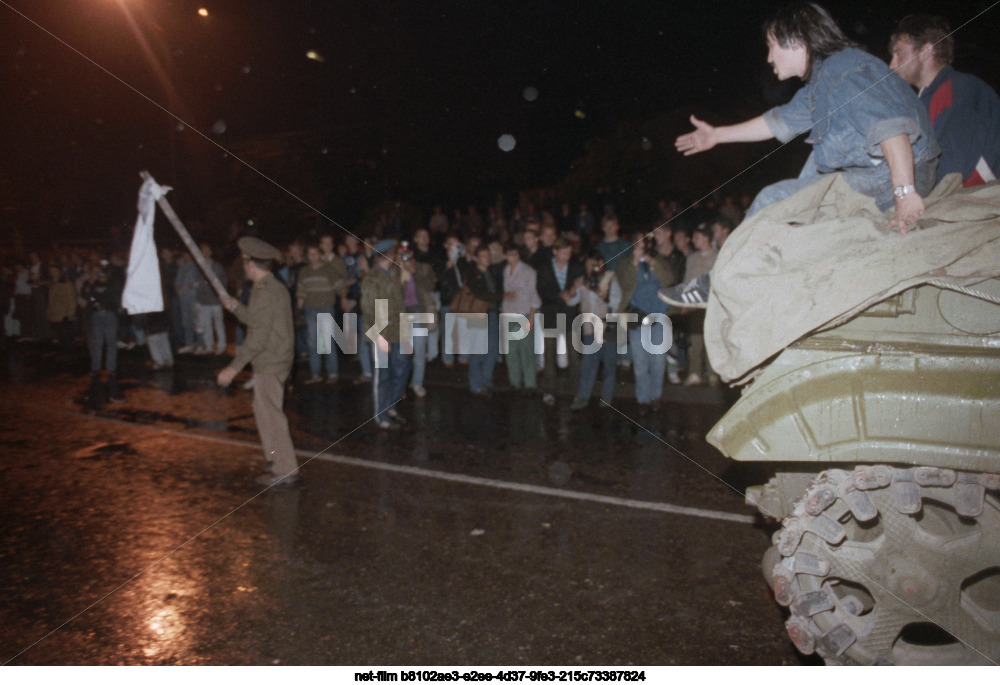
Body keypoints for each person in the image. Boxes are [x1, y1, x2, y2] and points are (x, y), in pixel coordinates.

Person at [661, 2, 940, 309]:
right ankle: (770, 272)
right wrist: (717, 135)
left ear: (795, 39)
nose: (768, 57)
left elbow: (890, 129)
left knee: (773, 199)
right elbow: (776, 122)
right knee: (814, 167)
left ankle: (719, 284)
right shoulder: (821, 84)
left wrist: (905, 194)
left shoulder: (843, 70)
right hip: (880, 173)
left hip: (896, 174)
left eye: (771, 46)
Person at [217, 237, 298, 487]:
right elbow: (258, 321)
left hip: (270, 361)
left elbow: (258, 337)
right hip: (277, 358)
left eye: (245, 261)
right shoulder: (271, 287)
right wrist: (236, 307)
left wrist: (233, 367)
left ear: (250, 263)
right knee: (265, 412)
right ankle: (276, 460)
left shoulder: (263, 292)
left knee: (270, 415)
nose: (244, 266)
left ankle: (285, 468)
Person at [889, 14, 1000, 187]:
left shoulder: (958, 89)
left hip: (981, 195)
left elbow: (951, 171)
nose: (892, 65)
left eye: (899, 54)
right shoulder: (926, 99)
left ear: (926, 52)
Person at [617, 236, 675, 412]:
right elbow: (624, 283)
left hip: (659, 316)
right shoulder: (626, 263)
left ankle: (656, 396)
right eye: (639, 242)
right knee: (640, 364)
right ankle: (642, 399)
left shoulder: (660, 260)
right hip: (637, 317)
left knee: (658, 362)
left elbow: (669, 280)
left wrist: (652, 263)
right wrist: (635, 262)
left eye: (645, 242)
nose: (643, 246)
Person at [360, 239, 411, 430]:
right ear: (387, 256)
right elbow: (368, 308)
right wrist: (379, 334)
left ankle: (391, 405)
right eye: (394, 253)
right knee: (383, 374)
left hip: (400, 328)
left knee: (403, 367)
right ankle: (381, 415)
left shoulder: (397, 273)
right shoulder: (371, 278)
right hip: (380, 330)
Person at [536, 238, 585, 406]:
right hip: (551, 315)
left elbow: (579, 294)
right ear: (555, 251)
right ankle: (549, 391)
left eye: (569, 253)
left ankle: (577, 391)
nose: (567, 256)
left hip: (570, 316)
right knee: (549, 355)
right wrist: (560, 295)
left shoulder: (577, 268)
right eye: (564, 253)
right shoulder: (544, 269)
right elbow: (542, 291)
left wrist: (570, 292)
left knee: (574, 355)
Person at [571, 251, 622, 410]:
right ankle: (582, 396)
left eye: (592, 265)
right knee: (588, 365)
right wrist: (574, 286)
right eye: (587, 266)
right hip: (589, 328)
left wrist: (597, 289)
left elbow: (615, 302)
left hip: (607, 327)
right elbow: (572, 300)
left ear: (601, 264)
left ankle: (607, 397)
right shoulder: (583, 280)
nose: (589, 269)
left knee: (609, 365)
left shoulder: (611, 279)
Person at [296, 242, 346, 384]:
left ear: (320, 255)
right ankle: (315, 373)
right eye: (310, 254)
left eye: (315, 253)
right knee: (313, 343)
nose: (312, 257)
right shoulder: (304, 271)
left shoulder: (328, 270)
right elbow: (301, 290)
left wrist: (343, 297)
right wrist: (299, 308)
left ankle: (333, 373)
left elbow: (340, 286)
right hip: (310, 309)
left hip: (326, 309)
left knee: (327, 342)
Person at [81, 260, 125, 403]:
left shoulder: (112, 284)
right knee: (97, 342)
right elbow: (87, 295)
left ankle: (110, 368)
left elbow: (113, 297)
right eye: (100, 273)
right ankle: (96, 367)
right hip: (97, 315)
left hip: (109, 315)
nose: (101, 276)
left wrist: (100, 301)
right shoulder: (93, 284)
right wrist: (91, 285)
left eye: (103, 273)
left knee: (111, 342)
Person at [500, 243, 541, 394]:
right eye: (510, 254)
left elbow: (535, 296)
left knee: (526, 351)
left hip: (523, 314)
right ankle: (515, 383)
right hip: (508, 314)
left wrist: (531, 317)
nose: (513, 258)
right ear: (505, 256)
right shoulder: (505, 270)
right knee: (511, 352)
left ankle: (530, 384)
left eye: (516, 254)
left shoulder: (528, 272)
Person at [464, 245, 503, 396]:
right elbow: (480, 294)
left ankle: (485, 381)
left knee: (493, 349)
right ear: (477, 258)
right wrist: (501, 297)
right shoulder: (473, 274)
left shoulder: (491, 273)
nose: (487, 258)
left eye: (488, 255)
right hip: (478, 314)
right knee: (478, 350)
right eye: (483, 256)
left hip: (492, 313)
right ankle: (476, 385)